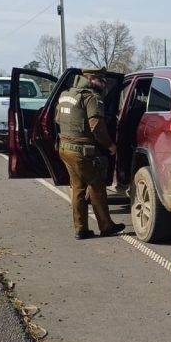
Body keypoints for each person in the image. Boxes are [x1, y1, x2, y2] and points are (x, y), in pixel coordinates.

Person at [55, 68, 125, 240]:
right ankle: (106, 226)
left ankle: (81, 229)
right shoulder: (92, 97)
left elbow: (57, 119)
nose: (104, 84)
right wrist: (110, 145)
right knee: (97, 185)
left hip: (65, 148)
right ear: (92, 79)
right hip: (82, 151)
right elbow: (96, 126)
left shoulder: (65, 95)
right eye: (102, 80)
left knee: (78, 188)